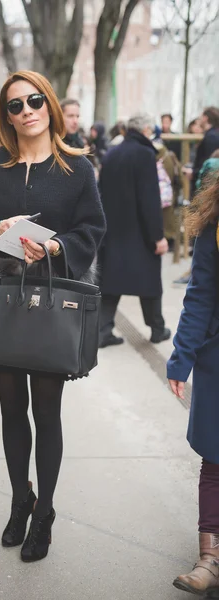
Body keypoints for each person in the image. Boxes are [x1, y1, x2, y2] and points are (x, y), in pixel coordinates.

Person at [0, 70, 106, 562]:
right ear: (5, 116)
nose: (26, 111)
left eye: (34, 100)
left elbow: (93, 228)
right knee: (9, 408)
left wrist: (58, 246)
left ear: (51, 104)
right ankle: (21, 500)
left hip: (50, 302)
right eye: (14, 106)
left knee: (46, 409)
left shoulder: (78, 168)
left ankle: (45, 514)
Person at [167, 176, 219, 596]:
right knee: (216, 458)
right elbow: (200, 294)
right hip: (218, 358)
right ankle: (210, 557)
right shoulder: (214, 223)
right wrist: (181, 357)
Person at [98, 114, 171, 348]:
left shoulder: (111, 153)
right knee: (149, 283)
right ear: (146, 129)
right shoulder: (145, 154)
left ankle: (102, 330)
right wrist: (157, 236)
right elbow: (150, 198)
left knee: (110, 282)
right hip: (139, 232)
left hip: (113, 229)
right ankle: (157, 329)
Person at [192, 107, 219, 195]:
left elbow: (209, 163)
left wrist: (194, 172)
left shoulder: (211, 137)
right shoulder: (212, 135)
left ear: (205, 118)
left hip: (207, 187)